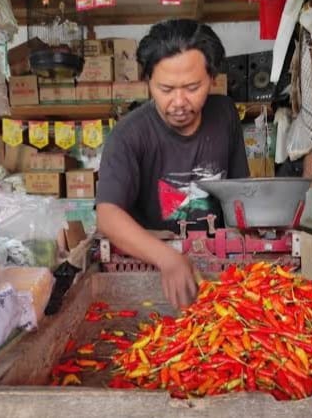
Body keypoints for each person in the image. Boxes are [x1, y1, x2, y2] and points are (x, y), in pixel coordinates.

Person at [96, 19, 249, 309]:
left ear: (212, 79)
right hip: (150, 268)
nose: (179, 102)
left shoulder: (225, 114)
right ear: (148, 83)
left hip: (217, 263)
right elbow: (107, 216)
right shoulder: (129, 134)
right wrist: (167, 258)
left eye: (192, 87)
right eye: (165, 89)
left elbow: (240, 193)